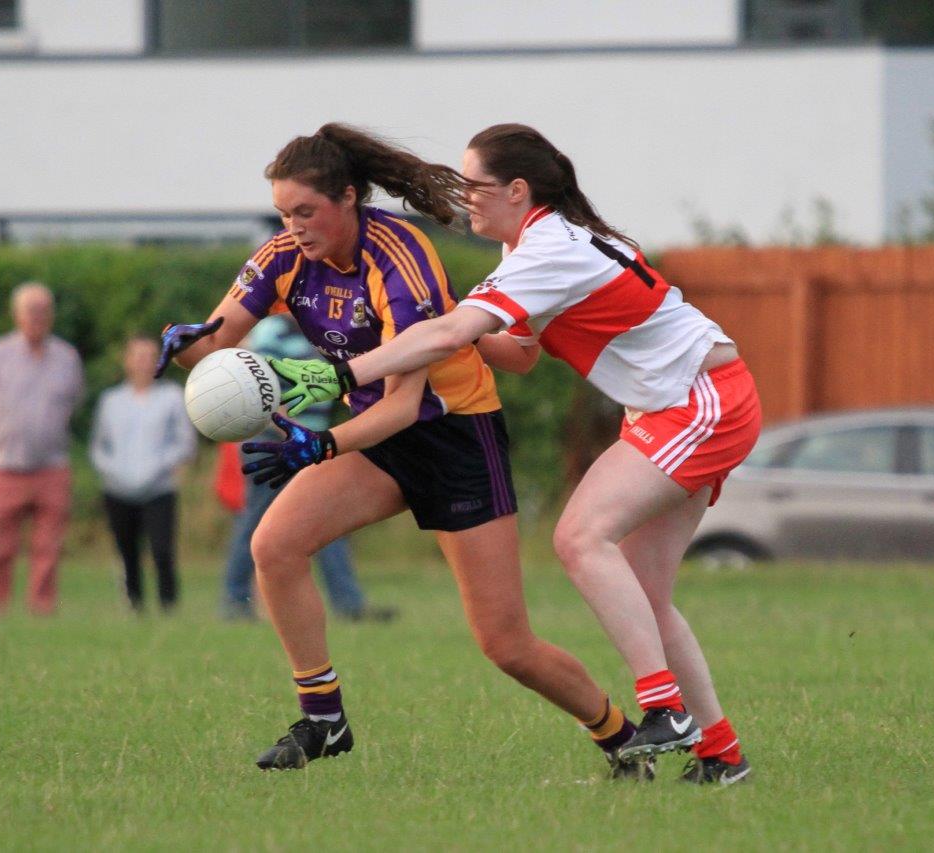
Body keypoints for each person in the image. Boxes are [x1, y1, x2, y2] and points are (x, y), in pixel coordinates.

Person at [272, 123, 762, 785]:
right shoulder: (537, 247)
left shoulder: (547, 247)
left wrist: (340, 374)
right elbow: (519, 354)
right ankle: (721, 754)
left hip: (700, 401)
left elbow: (451, 333)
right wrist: (449, 324)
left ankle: (664, 709)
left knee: (580, 536)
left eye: (477, 187)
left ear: (519, 190)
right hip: (682, 403)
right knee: (645, 592)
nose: (468, 199)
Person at [157, 124, 642, 777]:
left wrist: (320, 444)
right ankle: (324, 716)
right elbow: (214, 346)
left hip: (453, 437)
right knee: (274, 545)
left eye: (306, 211)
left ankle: (620, 735)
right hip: (375, 439)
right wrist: (183, 343)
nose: (293, 226)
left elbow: (403, 405)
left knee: (505, 642)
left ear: (349, 197)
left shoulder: (399, 257)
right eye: (283, 213)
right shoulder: (282, 256)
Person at [219, 314, 394, 623]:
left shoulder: (325, 334)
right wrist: (294, 430)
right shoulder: (272, 330)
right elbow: (256, 383)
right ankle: (234, 601)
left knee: (327, 521)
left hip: (309, 444)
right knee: (255, 523)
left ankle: (349, 604)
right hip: (274, 441)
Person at [0, 283, 85, 616]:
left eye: (44, 310)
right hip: (5, 465)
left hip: (52, 465)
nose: (38, 317)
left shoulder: (67, 356)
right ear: (16, 314)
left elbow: (74, 404)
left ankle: (42, 608)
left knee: (48, 546)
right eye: (31, 310)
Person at [89, 335, 197, 613]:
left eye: (150, 356)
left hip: (159, 487)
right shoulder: (111, 400)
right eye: (138, 356)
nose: (143, 363)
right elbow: (99, 447)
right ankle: (134, 604)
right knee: (127, 550)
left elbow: (184, 442)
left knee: (162, 550)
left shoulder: (172, 397)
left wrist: (159, 467)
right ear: (127, 361)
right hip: (118, 489)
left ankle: (168, 605)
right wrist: (115, 472)